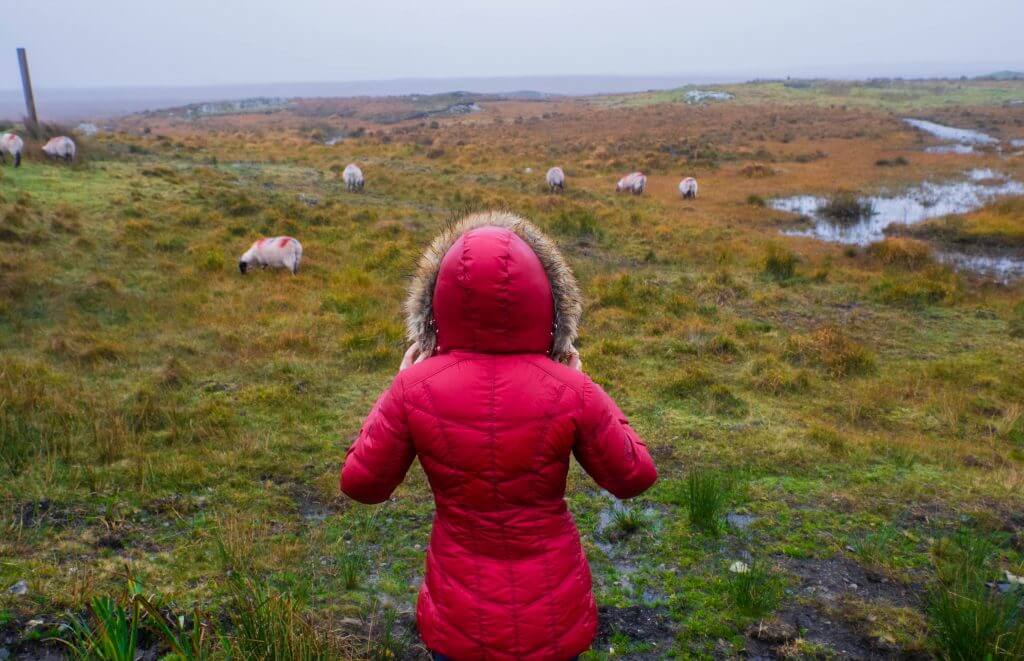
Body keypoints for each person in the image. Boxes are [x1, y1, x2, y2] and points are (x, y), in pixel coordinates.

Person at [341, 211, 658, 660]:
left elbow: (360, 483)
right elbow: (635, 475)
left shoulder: (413, 389)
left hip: (457, 621)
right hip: (553, 617)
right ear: (548, 299)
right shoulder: (573, 391)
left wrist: (399, 383)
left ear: (438, 302)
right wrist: (585, 387)